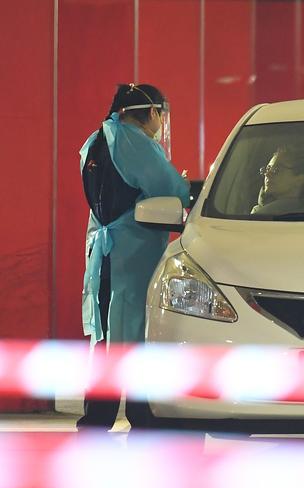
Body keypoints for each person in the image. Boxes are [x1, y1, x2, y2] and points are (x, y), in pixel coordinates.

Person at [77, 83, 190, 431]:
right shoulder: (135, 143)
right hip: (133, 254)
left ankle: (97, 417)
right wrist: (187, 186)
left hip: (104, 251)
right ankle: (142, 415)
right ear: (153, 113)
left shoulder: (97, 139)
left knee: (107, 335)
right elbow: (171, 190)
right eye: (162, 115)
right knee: (138, 333)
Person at [251, 146, 304, 215]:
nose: (267, 174)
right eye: (267, 169)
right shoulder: (259, 210)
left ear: (299, 180)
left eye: (276, 170)